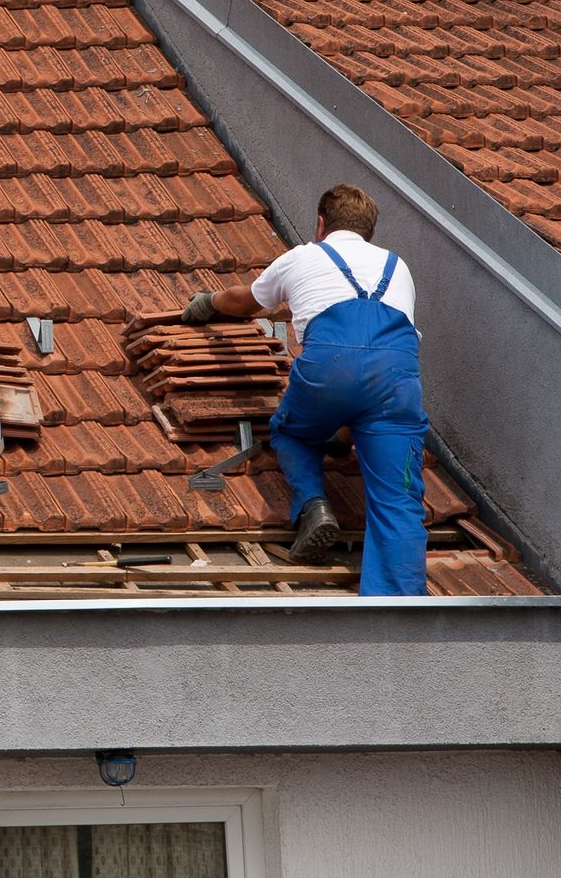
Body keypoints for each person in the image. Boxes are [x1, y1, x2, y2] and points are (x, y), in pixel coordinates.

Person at [180, 182, 429, 595]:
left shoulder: (304, 256)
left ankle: (313, 505)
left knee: (290, 430)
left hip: (329, 367)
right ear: (369, 231)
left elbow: (246, 302)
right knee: (399, 501)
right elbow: (377, 355)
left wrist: (209, 302)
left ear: (320, 224)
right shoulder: (397, 266)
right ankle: (400, 614)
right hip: (396, 380)